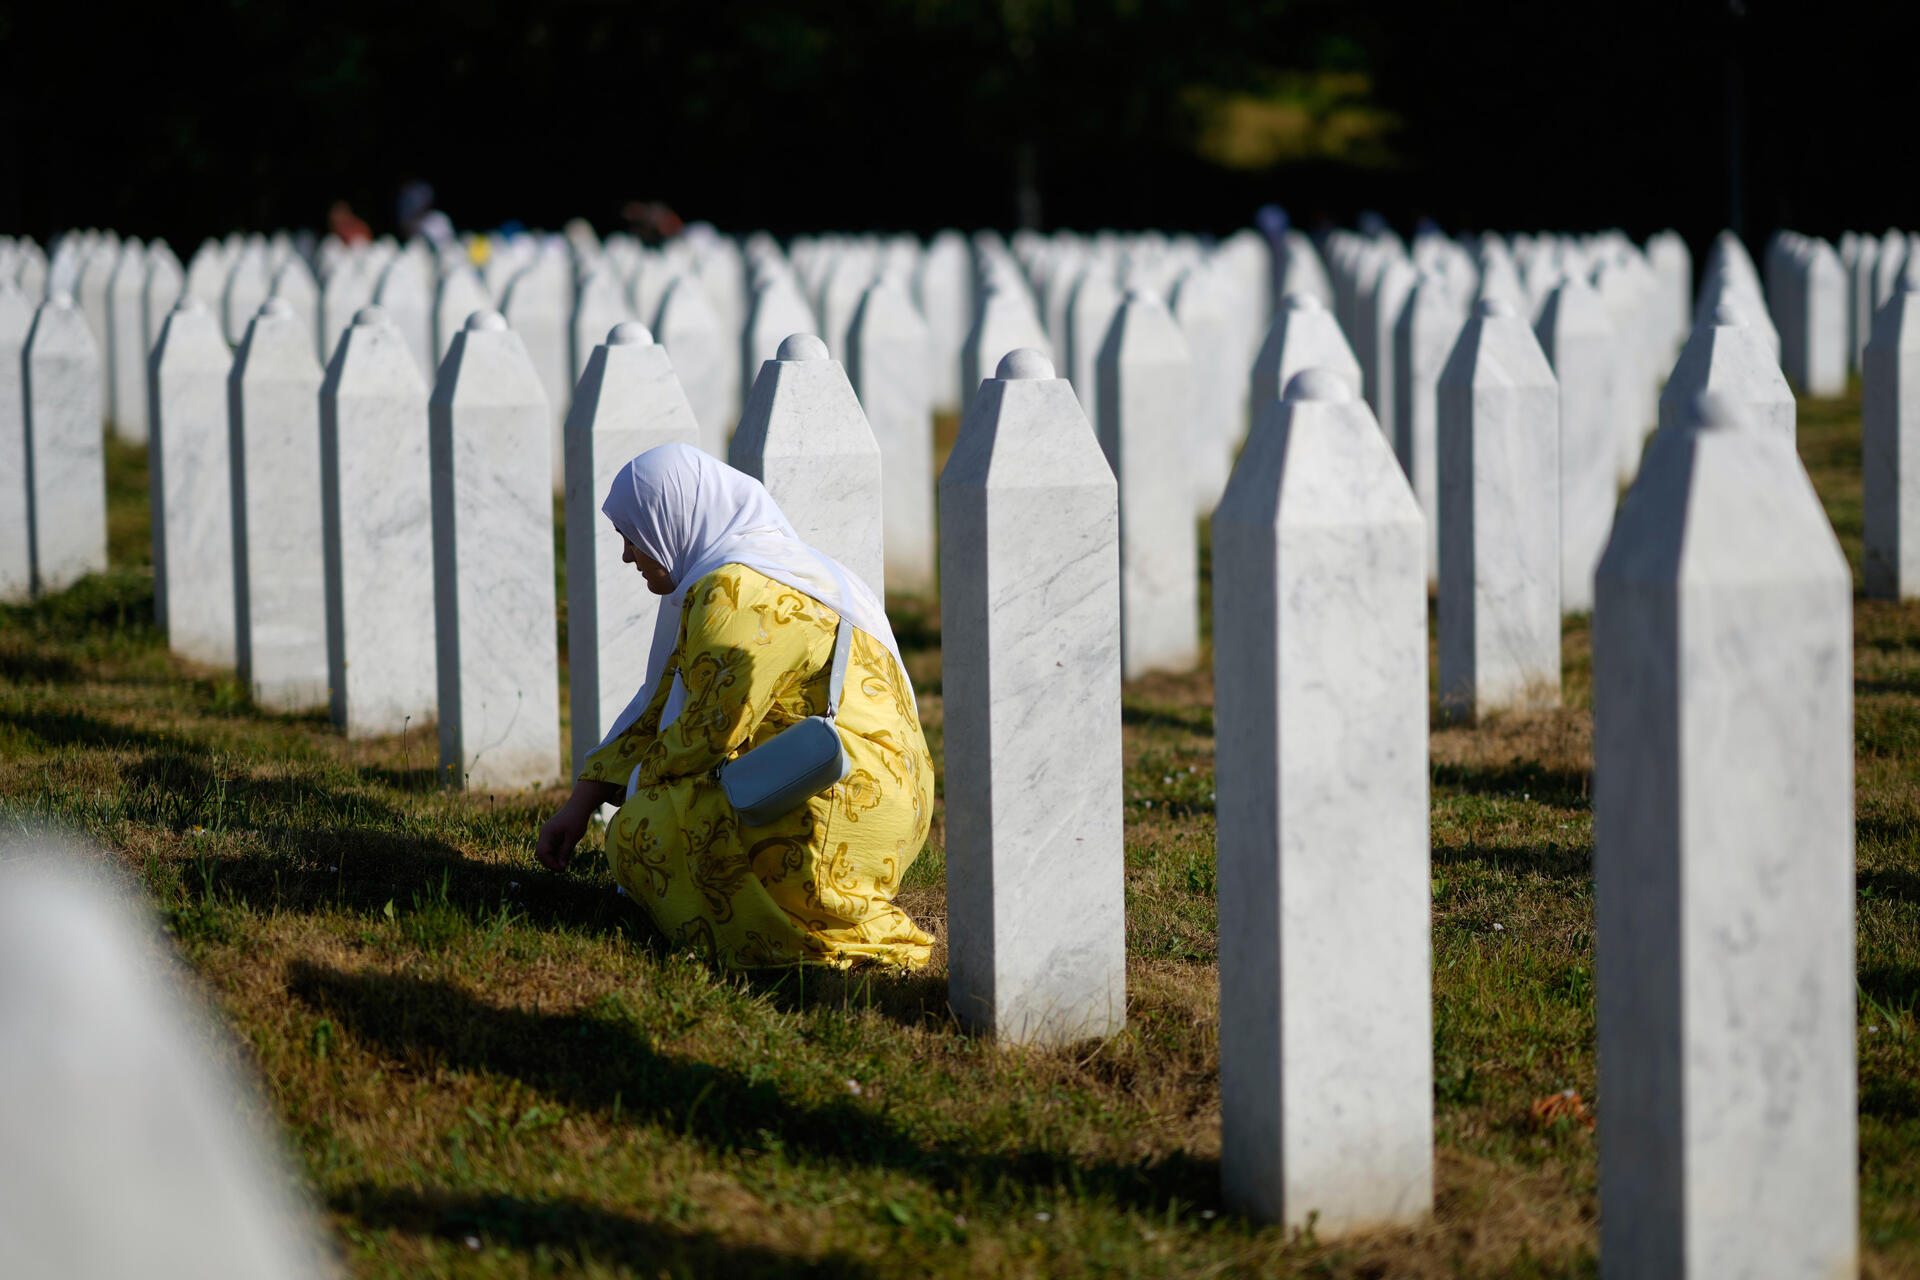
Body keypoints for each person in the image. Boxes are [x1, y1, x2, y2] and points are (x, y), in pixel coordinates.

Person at [536, 444, 934, 970]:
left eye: (632, 535)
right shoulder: (767, 570)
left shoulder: (738, 587)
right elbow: (659, 711)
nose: (628, 555)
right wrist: (581, 803)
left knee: (640, 831)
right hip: (876, 792)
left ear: (672, 519)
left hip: (835, 796)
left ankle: (817, 946)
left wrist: (636, 795)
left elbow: (708, 730)